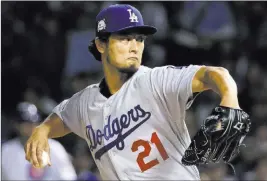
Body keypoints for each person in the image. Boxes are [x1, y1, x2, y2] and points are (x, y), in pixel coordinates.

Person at [25, 4, 247, 180]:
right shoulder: (84, 102)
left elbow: (213, 74)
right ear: (101, 45)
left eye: (139, 38)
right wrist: (42, 130)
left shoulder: (156, 80)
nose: (134, 46)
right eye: (124, 38)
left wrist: (229, 99)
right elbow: (63, 117)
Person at [2, 102, 77, 180]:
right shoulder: (6, 150)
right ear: (16, 125)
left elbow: (69, 177)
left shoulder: (54, 148)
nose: (31, 127)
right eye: (26, 123)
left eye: (34, 123)